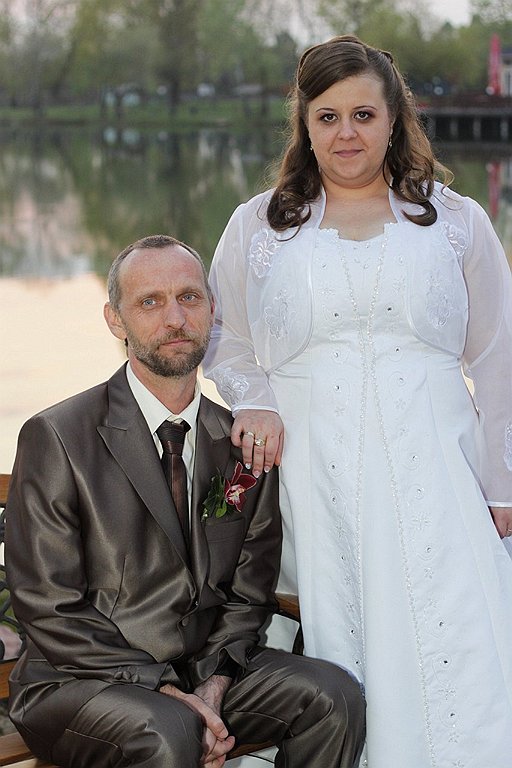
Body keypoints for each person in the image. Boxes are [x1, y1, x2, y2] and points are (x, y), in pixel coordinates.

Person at [202, 35, 512, 768]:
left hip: (438, 469)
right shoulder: (258, 227)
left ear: (394, 120)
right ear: (305, 126)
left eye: (364, 115)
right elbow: (222, 338)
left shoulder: (457, 222)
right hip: (314, 475)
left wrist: (502, 485)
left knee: (457, 631)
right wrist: (255, 400)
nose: (347, 133)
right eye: (328, 117)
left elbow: (500, 358)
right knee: (344, 637)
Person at [5, 234, 366, 768]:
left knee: (332, 697)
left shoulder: (242, 444)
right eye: (150, 301)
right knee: (168, 729)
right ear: (115, 320)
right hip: (80, 681)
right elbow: (48, 606)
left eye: (189, 297)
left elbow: (248, 593)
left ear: (212, 309)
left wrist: (213, 687)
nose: (174, 318)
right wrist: (168, 691)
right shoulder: (57, 437)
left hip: (204, 673)